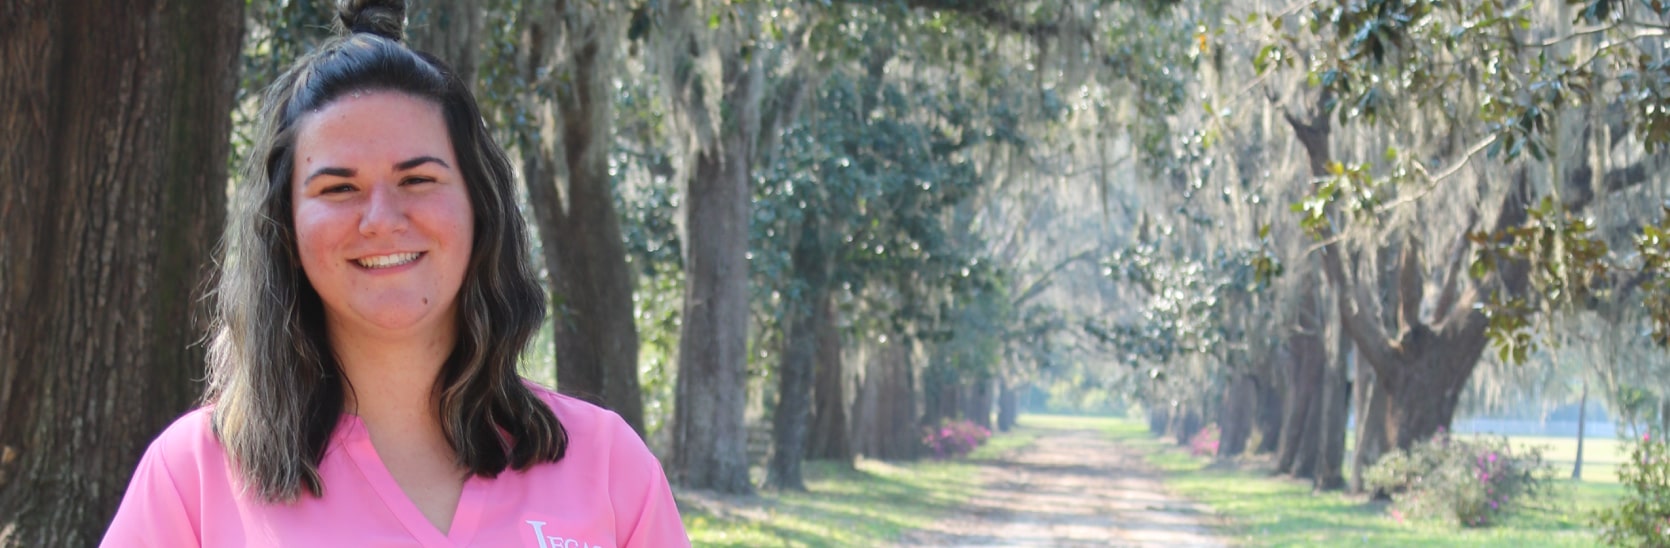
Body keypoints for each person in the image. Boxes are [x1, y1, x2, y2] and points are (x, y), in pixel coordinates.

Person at [101, 1, 689, 546]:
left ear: (479, 209)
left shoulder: (608, 466)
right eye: (339, 188)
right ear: (287, 230)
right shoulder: (194, 478)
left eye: (418, 179)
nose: (382, 220)